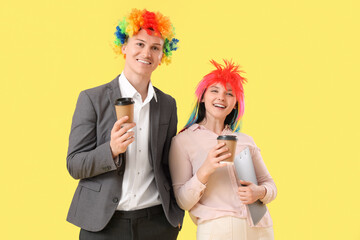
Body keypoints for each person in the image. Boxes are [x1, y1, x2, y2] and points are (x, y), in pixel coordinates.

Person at [66, 8, 184, 240]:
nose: (146, 53)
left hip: (158, 223)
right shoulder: (92, 98)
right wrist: (110, 150)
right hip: (103, 225)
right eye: (139, 44)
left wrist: (176, 214)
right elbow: (74, 164)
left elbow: (168, 165)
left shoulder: (167, 104)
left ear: (162, 57)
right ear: (124, 47)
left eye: (155, 48)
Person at [169, 59, 277, 240]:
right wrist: (206, 169)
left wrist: (259, 192)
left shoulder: (245, 141)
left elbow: (269, 184)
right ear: (202, 97)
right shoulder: (183, 141)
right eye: (214, 90)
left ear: (235, 103)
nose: (221, 97)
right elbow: (182, 201)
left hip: (261, 228)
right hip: (218, 230)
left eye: (229, 93)